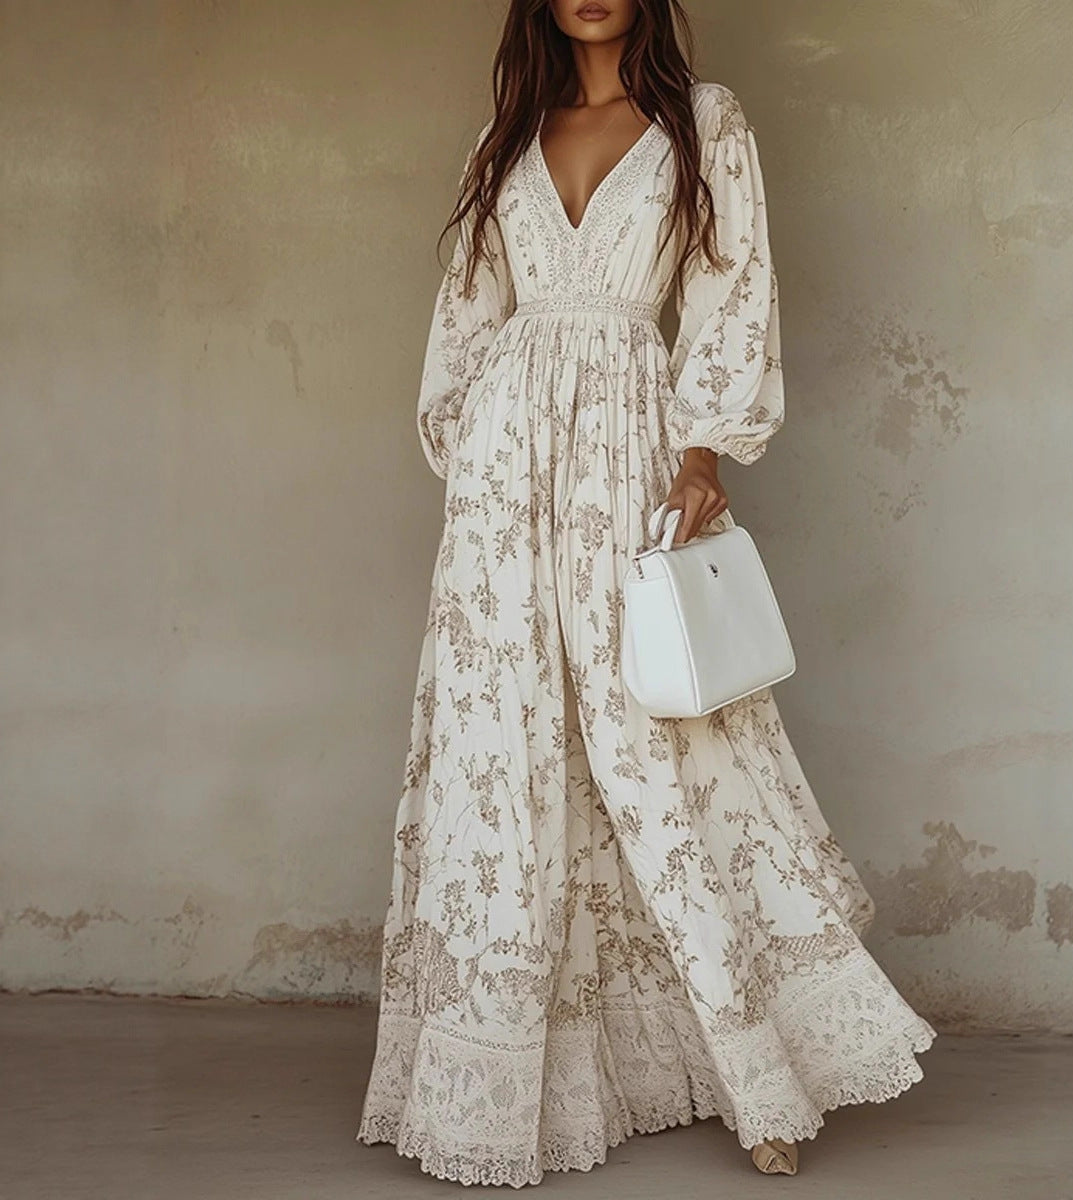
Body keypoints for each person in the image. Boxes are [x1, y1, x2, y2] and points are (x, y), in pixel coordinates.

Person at [357, 0, 935, 1186]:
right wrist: (477, 455)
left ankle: (759, 1079)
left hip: (629, 447)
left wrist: (701, 453)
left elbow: (731, 289)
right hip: (505, 483)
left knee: (661, 750)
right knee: (511, 750)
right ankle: (518, 1091)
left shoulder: (702, 123)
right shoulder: (500, 137)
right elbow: (465, 324)